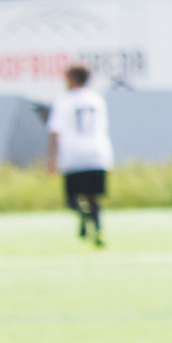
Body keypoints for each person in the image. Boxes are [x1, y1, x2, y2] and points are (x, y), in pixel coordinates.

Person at [47, 63, 112, 247]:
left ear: (72, 79)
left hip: (73, 152)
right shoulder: (96, 99)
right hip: (97, 151)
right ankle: (97, 229)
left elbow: (55, 131)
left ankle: (84, 217)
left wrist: (51, 158)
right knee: (94, 197)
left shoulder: (64, 100)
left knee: (72, 198)